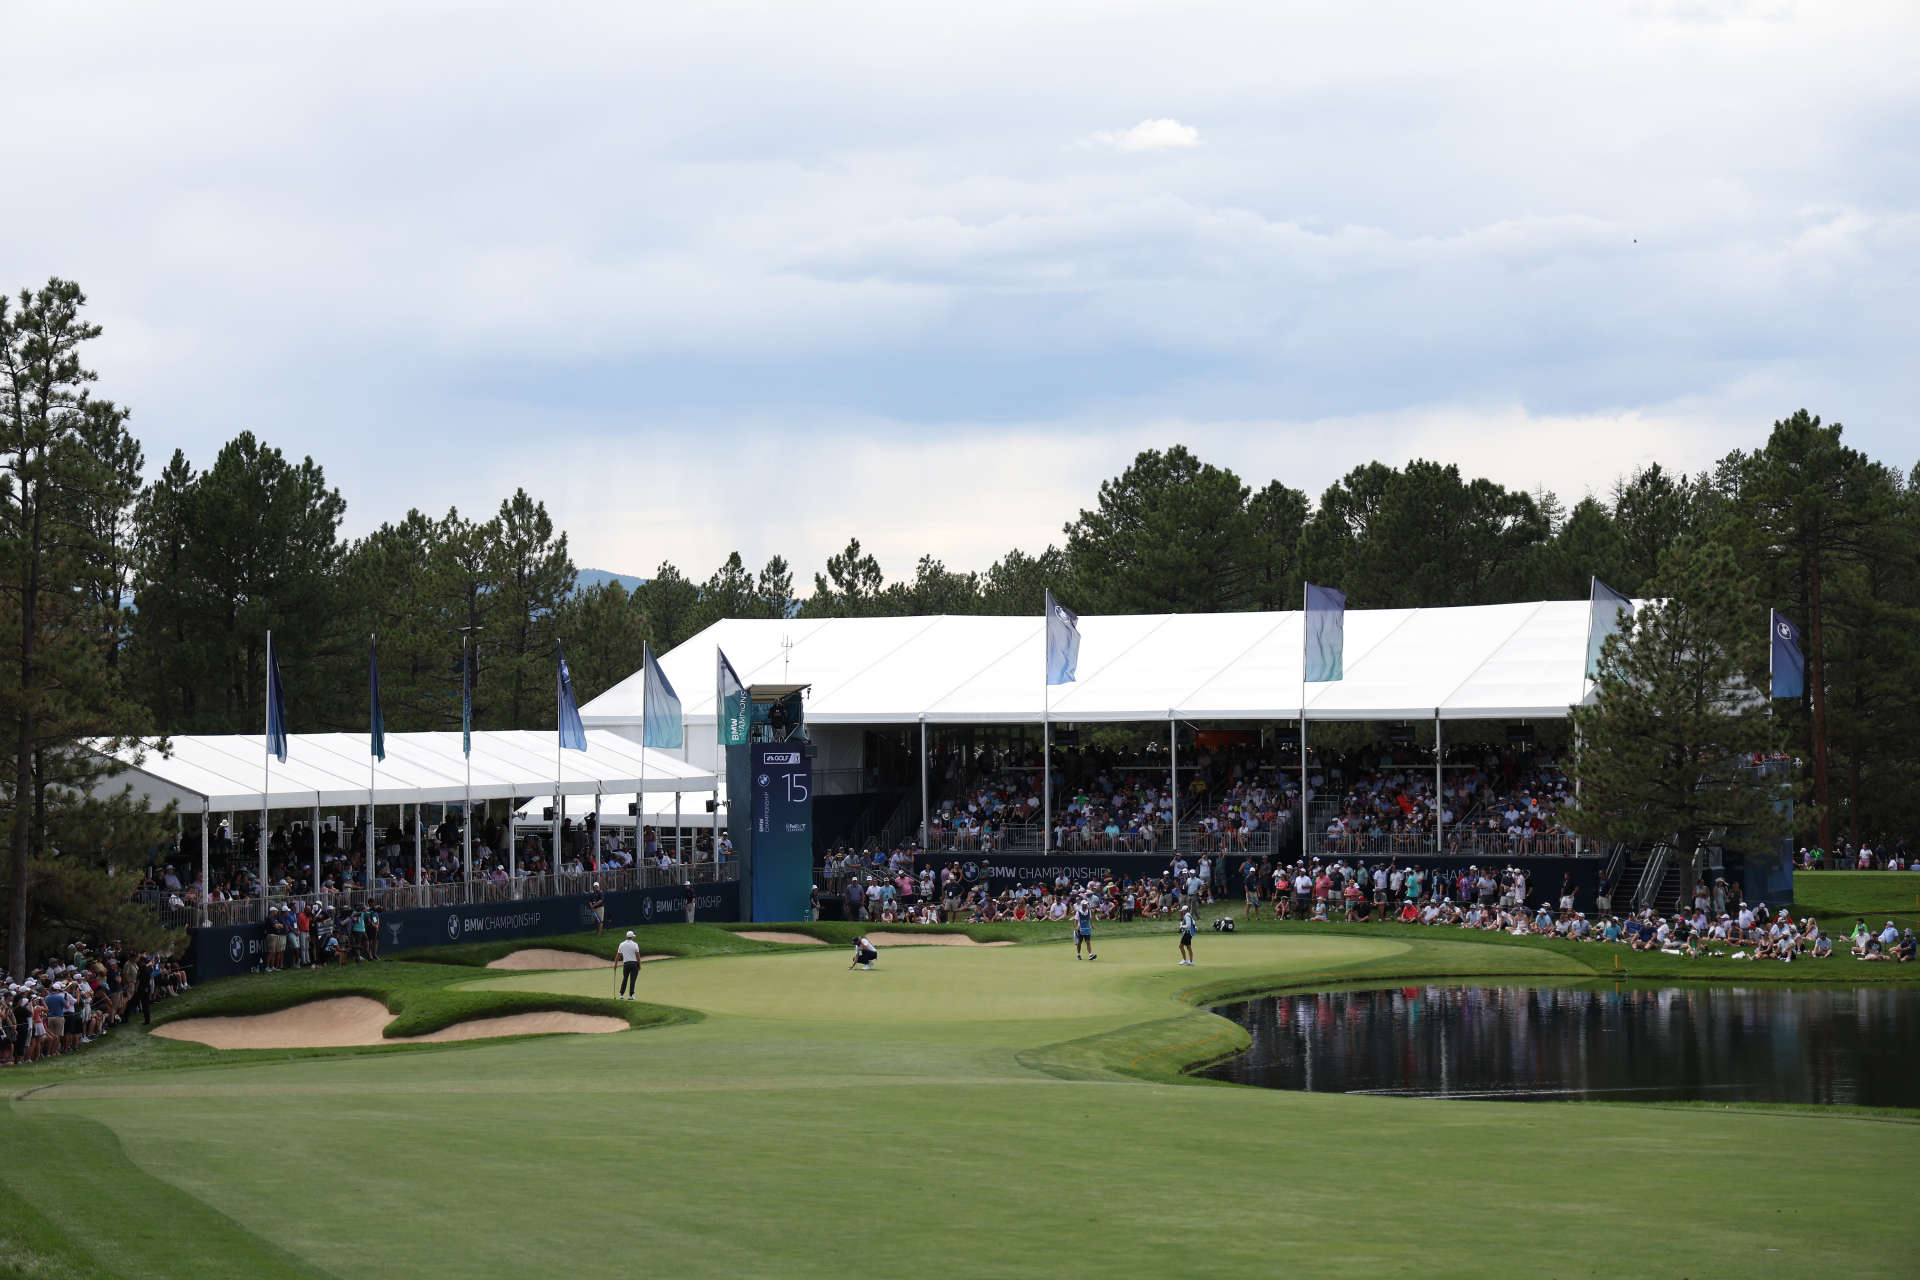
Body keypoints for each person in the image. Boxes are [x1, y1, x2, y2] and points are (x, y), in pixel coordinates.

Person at [615, 930, 642, 999]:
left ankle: (621, 995)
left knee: (625, 979)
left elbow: (618, 956)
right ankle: (631, 996)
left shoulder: (621, 944)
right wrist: (639, 965)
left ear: (627, 937)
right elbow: (638, 956)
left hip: (626, 964)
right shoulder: (635, 944)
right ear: (632, 937)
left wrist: (615, 965)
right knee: (632, 980)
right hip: (634, 964)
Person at [1073, 896, 1097, 961]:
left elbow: (1090, 919)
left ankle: (1090, 955)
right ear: (1082, 905)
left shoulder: (1089, 911)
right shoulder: (1078, 912)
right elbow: (1075, 921)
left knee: (1088, 942)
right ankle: (1078, 954)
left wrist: (1092, 925)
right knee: (1079, 943)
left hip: (1087, 929)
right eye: (1085, 904)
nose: (1086, 905)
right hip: (1080, 930)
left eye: (1086, 904)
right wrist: (1076, 927)